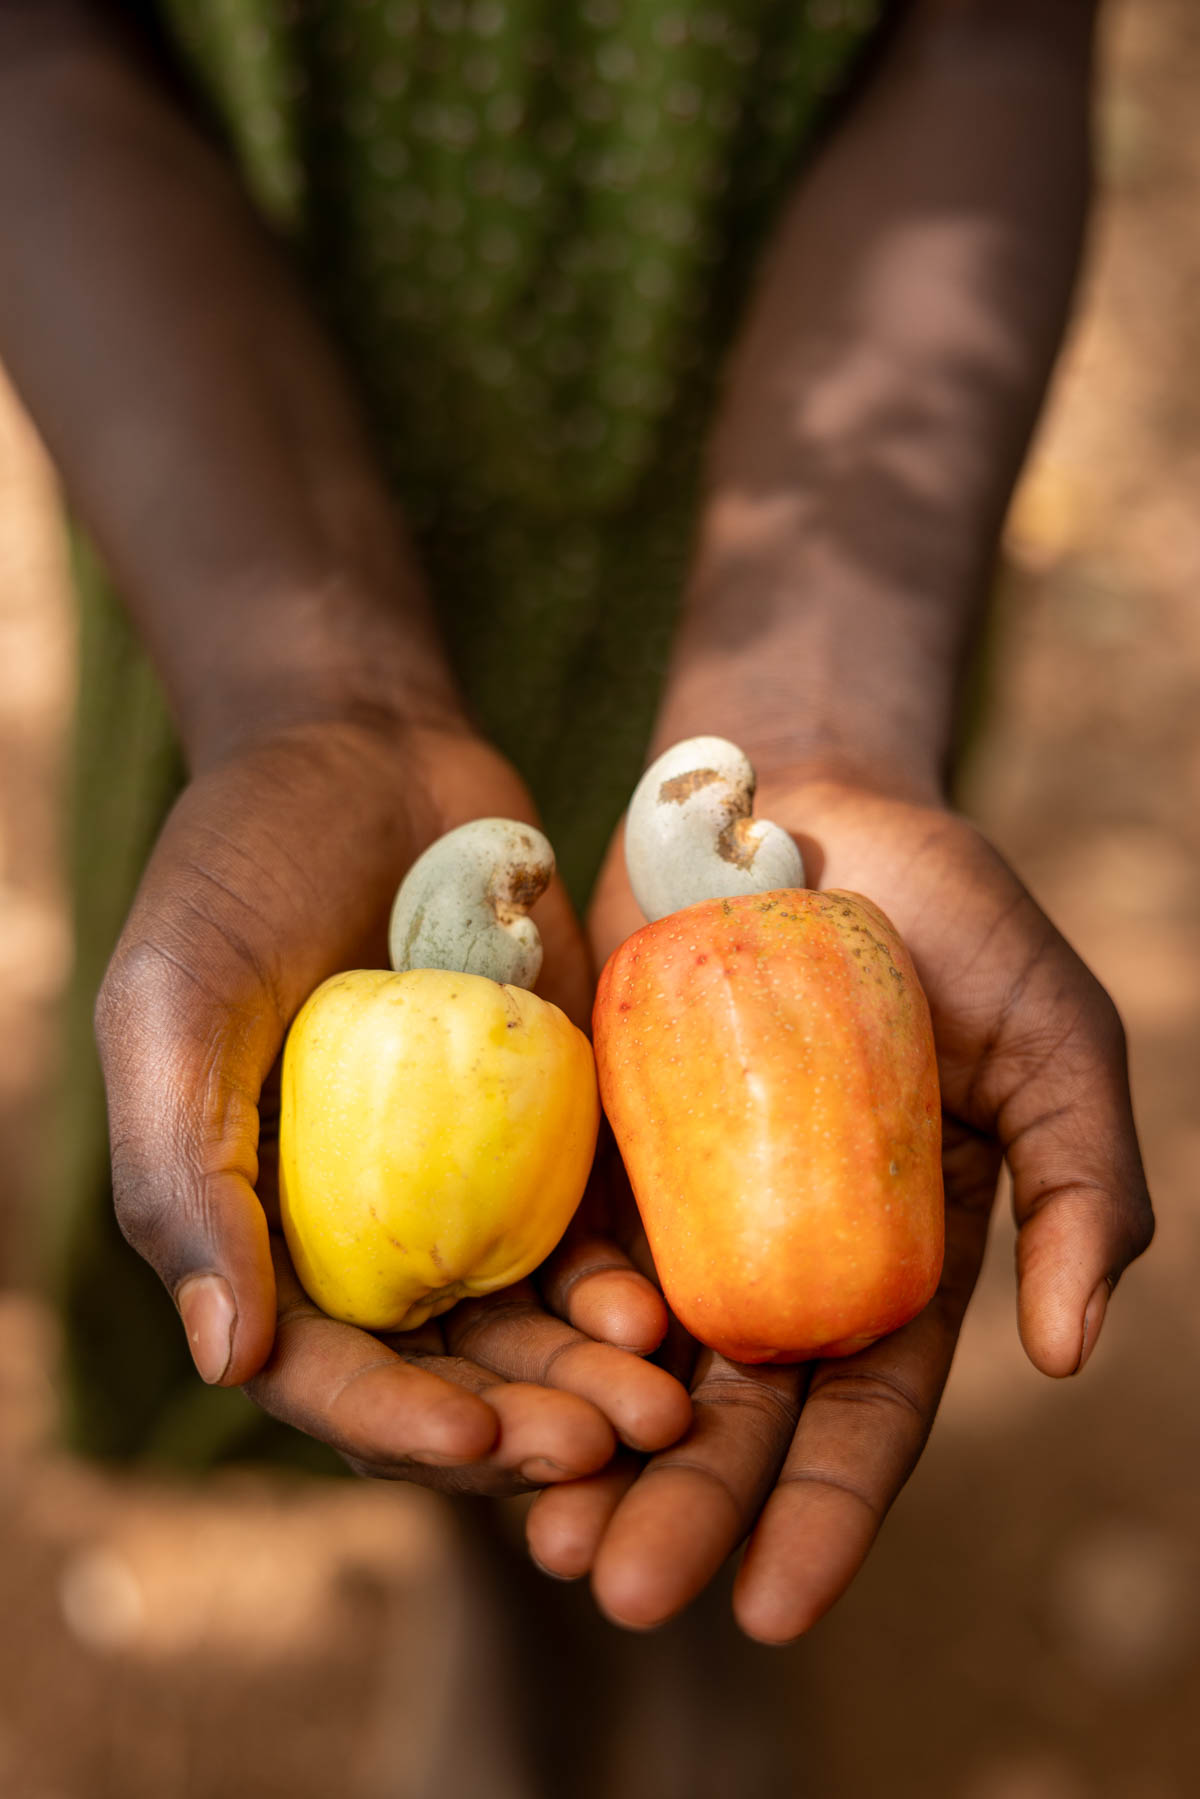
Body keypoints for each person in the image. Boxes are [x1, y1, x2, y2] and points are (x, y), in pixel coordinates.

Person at [0, 0, 1152, 1752]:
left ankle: (683, 1610)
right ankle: (500, 1583)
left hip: (797, 460)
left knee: (545, 1328)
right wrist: (311, 691)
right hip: (231, 455)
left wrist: (829, 704)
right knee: (479, 1346)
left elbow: (992, 41)